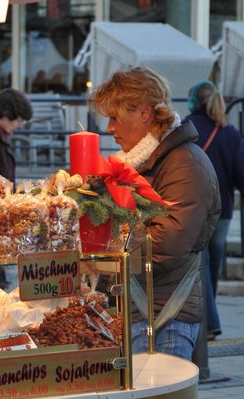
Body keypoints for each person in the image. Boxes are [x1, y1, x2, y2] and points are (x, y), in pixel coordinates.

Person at [91, 67, 220, 361]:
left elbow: (167, 244)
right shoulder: (140, 162)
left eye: (115, 117)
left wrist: (103, 245)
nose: (110, 128)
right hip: (140, 309)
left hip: (163, 316)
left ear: (145, 113)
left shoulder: (183, 163)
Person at [185, 80, 244, 341]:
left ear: (194, 101)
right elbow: (240, 174)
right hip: (224, 211)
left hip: (195, 207)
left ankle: (208, 323)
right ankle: (210, 320)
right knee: (211, 267)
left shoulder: (187, 127)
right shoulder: (229, 132)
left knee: (200, 265)